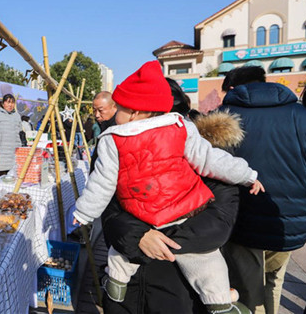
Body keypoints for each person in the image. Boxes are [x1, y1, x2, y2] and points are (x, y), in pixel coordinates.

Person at [73, 61, 262, 313]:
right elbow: (111, 210)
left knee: (121, 258)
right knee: (208, 264)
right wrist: (248, 175)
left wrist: (84, 213)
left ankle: (117, 280)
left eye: (118, 107)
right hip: (175, 223)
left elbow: (101, 189)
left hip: (175, 293)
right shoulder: (181, 133)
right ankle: (219, 303)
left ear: (136, 112)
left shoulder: (113, 141)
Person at [219, 66, 306, 314]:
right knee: (275, 282)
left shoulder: (222, 117)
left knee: (246, 289)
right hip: (286, 225)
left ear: (234, 89)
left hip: (240, 224)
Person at [0, 94, 27, 177]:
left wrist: (24, 148)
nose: (10, 105)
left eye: (12, 103)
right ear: (3, 103)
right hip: (2, 154)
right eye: (8, 102)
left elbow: (21, 133)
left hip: (15, 154)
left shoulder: (17, 116)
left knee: (14, 182)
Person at [90, 91, 117, 172]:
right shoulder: (103, 123)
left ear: (114, 107)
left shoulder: (118, 128)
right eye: (94, 110)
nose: (97, 115)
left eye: (100, 110)